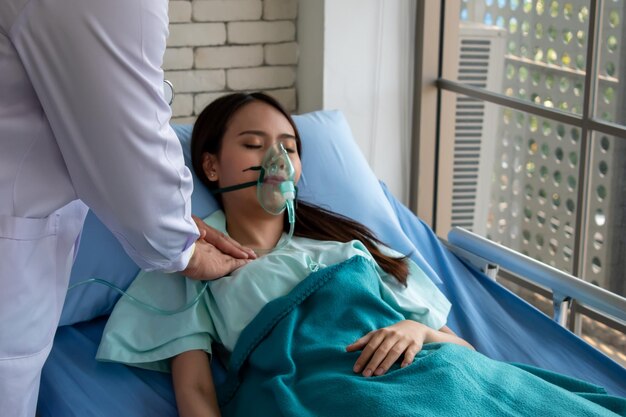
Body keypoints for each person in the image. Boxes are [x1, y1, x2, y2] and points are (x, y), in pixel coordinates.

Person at [0, 2, 254, 416]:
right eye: (253, 144)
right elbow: (127, 153)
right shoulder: (174, 280)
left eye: (291, 146)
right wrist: (180, 245)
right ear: (209, 164)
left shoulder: (344, 250)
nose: (277, 163)